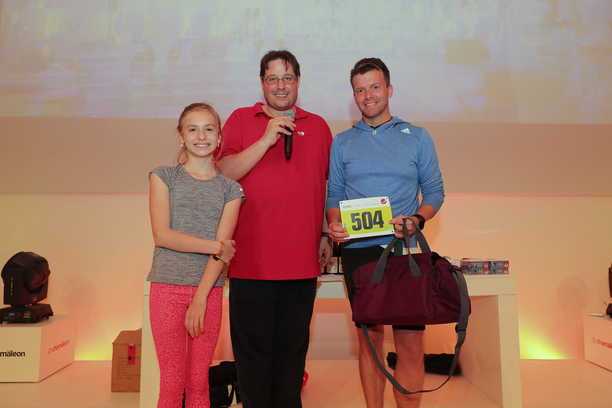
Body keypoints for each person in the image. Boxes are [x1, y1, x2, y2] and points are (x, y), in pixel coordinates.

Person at [326, 58, 445, 408]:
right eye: (360, 90)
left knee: (410, 344)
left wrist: (417, 219)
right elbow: (334, 195)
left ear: (389, 90)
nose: (368, 96)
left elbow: (434, 192)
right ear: (354, 96)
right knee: (369, 343)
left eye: (375, 87)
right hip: (359, 253)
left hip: (405, 250)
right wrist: (334, 223)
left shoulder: (418, 137)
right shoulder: (342, 143)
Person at [217, 50, 333, 408]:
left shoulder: (319, 126)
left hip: (301, 266)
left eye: (287, 78)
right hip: (251, 265)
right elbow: (224, 173)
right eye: (272, 79)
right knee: (252, 362)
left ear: (298, 81)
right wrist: (265, 140)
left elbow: (326, 186)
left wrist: (326, 234)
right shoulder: (241, 119)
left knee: (291, 359)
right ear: (261, 83)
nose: (280, 86)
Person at [147, 102, 243, 408]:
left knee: (199, 383)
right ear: (181, 136)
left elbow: (224, 251)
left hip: (208, 293)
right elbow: (163, 235)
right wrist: (215, 246)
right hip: (167, 290)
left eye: (209, 129)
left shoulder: (231, 190)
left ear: (219, 137)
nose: (201, 136)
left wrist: (201, 298)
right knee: (172, 384)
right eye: (193, 129)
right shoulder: (163, 177)